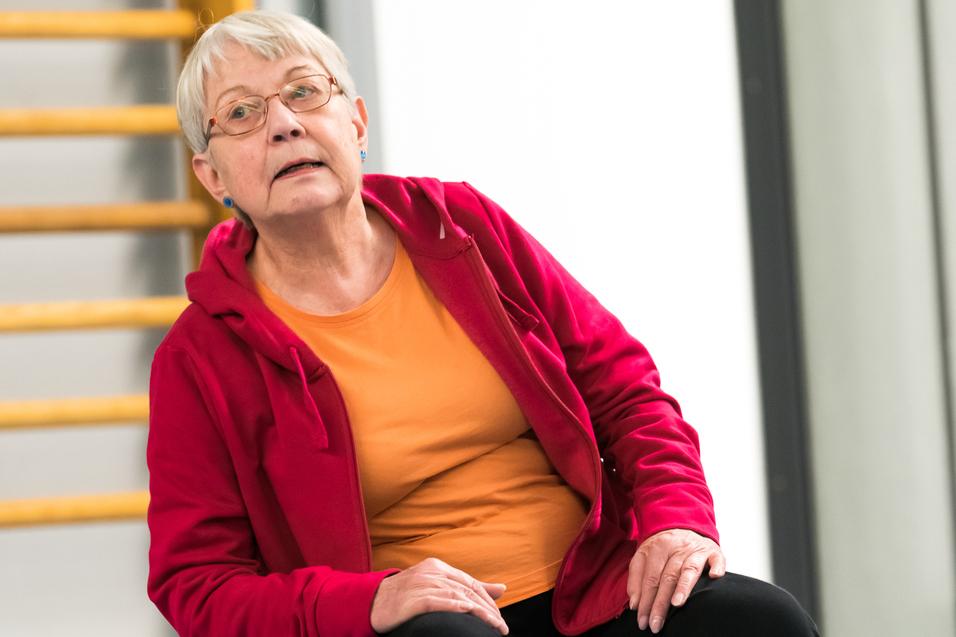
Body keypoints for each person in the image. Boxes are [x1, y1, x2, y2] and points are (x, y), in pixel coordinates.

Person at [146, 9, 819, 637]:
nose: (285, 125)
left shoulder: (463, 227)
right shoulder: (200, 355)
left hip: (594, 588)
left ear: (355, 123)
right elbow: (197, 584)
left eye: (304, 93)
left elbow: (628, 392)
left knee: (760, 619)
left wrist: (676, 521)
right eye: (241, 113)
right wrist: (369, 599)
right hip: (428, 626)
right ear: (212, 176)